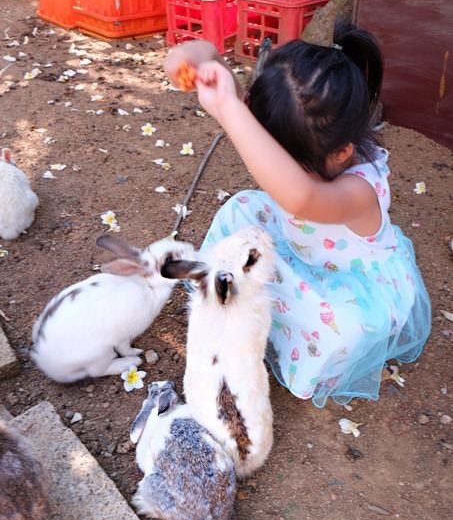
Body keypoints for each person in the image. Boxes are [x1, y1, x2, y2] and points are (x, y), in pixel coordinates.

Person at [164, 23, 431, 408]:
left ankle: (298, 351)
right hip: (303, 245)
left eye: (286, 160)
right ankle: (230, 297)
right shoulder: (288, 115)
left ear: (340, 153)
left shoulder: (359, 191)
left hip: (347, 284)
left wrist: (228, 108)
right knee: (242, 206)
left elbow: (300, 197)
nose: (272, 165)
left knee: (338, 330)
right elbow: (201, 51)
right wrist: (194, 61)